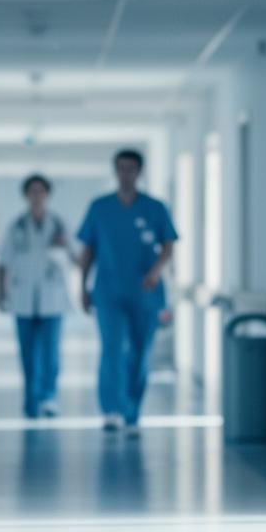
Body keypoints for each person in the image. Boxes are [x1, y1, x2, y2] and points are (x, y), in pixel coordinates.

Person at [77, 149, 178, 435]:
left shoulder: (155, 208)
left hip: (145, 292)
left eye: (131, 168)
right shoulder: (100, 207)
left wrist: (155, 272)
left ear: (139, 172)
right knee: (111, 349)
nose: (126, 173)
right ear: (115, 171)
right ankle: (111, 410)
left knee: (139, 352)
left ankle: (132, 411)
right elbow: (88, 250)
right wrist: (82, 287)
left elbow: (169, 246)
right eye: (121, 168)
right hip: (108, 291)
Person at [0, 174, 71, 419]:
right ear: (26, 195)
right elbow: (4, 262)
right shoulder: (16, 225)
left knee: (50, 353)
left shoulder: (59, 225)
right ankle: (31, 400)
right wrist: (2, 293)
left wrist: (63, 248)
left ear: (47, 195)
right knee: (28, 354)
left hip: (53, 298)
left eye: (41, 191)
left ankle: (49, 397)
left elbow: (76, 257)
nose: (37, 196)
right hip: (23, 299)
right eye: (33, 191)